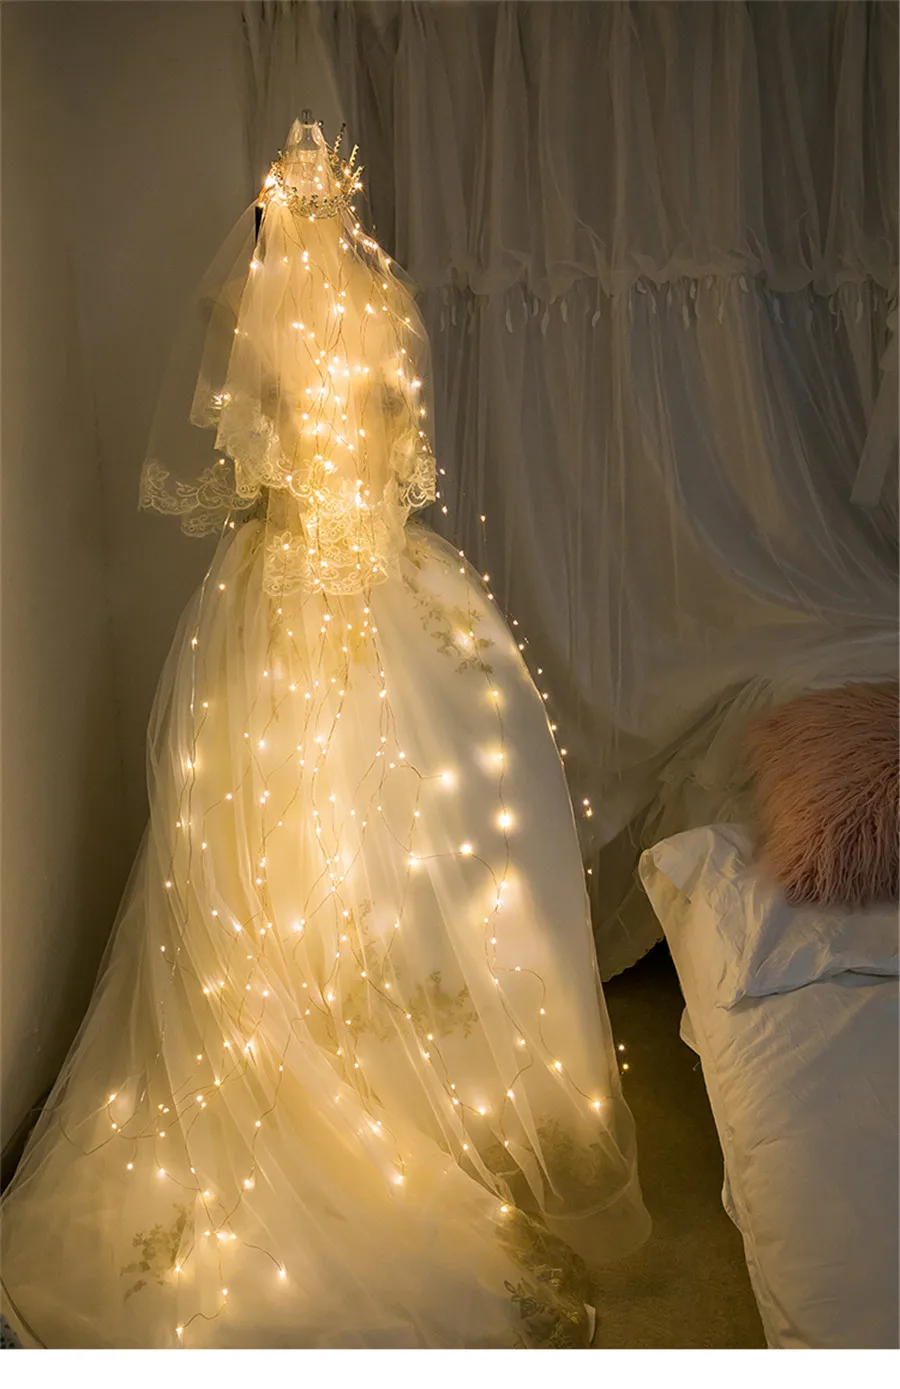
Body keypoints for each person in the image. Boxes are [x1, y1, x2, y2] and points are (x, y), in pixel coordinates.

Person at [0, 117, 649, 1349]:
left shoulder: (282, 315)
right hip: (364, 594)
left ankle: (395, 1090)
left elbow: (245, 473)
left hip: (310, 593)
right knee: (340, 850)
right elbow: (385, 467)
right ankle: (366, 1083)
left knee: (354, 846)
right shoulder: (350, 307)